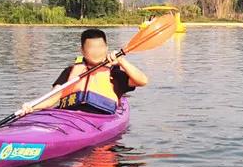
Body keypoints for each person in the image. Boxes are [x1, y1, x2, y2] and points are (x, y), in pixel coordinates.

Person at [20, 28, 148, 115]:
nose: (97, 51)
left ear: (106, 48)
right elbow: (53, 97)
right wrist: (31, 106)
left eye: (100, 47)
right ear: (82, 50)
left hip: (99, 119)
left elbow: (142, 81)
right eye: (92, 47)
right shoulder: (70, 71)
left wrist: (122, 61)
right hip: (67, 117)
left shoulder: (114, 73)